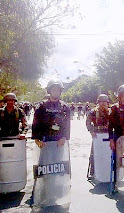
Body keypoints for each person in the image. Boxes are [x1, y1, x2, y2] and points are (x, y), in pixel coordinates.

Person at [31, 78, 71, 206]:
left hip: (59, 142)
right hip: (45, 142)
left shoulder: (65, 107)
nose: (56, 92)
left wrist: (65, 137)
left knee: (57, 169)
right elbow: (35, 122)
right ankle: (42, 194)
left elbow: (67, 124)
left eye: (58, 90)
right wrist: (36, 138)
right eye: (53, 89)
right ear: (49, 91)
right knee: (45, 169)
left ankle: (54, 194)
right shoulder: (41, 106)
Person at [86, 94, 110, 179]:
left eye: (105, 102)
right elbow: (88, 122)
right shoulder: (93, 112)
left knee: (108, 153)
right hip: (97, 135)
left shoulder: (110, 111)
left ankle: (108, 170)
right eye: (101, 102)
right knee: (94, 153)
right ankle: (93, 171)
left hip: (108, 135)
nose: (103, 103)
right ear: (98, 102)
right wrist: (91, 131)